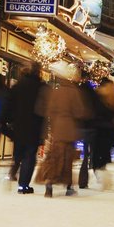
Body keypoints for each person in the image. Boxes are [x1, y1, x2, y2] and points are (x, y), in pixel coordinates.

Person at [35, 62, 90, 198]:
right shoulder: (74, 92)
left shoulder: (56, 92)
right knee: (67, 159)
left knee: (54, 157)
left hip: (57, 129)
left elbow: (48, 110)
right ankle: (68, 186)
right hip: (69, 130)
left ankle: (49, 183)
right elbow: (79, 112)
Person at [10, 63, 46, 194]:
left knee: (19, 154)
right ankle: (23, 185)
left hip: (19, 126)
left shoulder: (18, 86)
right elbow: (43, 110)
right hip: (34, 128)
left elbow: (9, 105)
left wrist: (10, 121)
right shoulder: (41, 87)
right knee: (29, 156)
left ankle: (13, 173)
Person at [91, 78, 114, 190]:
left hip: (99, 130)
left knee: (97, 153)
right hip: (108, 131)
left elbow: (92, 112)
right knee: (103, 154)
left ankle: (99, 172)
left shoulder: (97, 98)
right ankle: (101, 173)